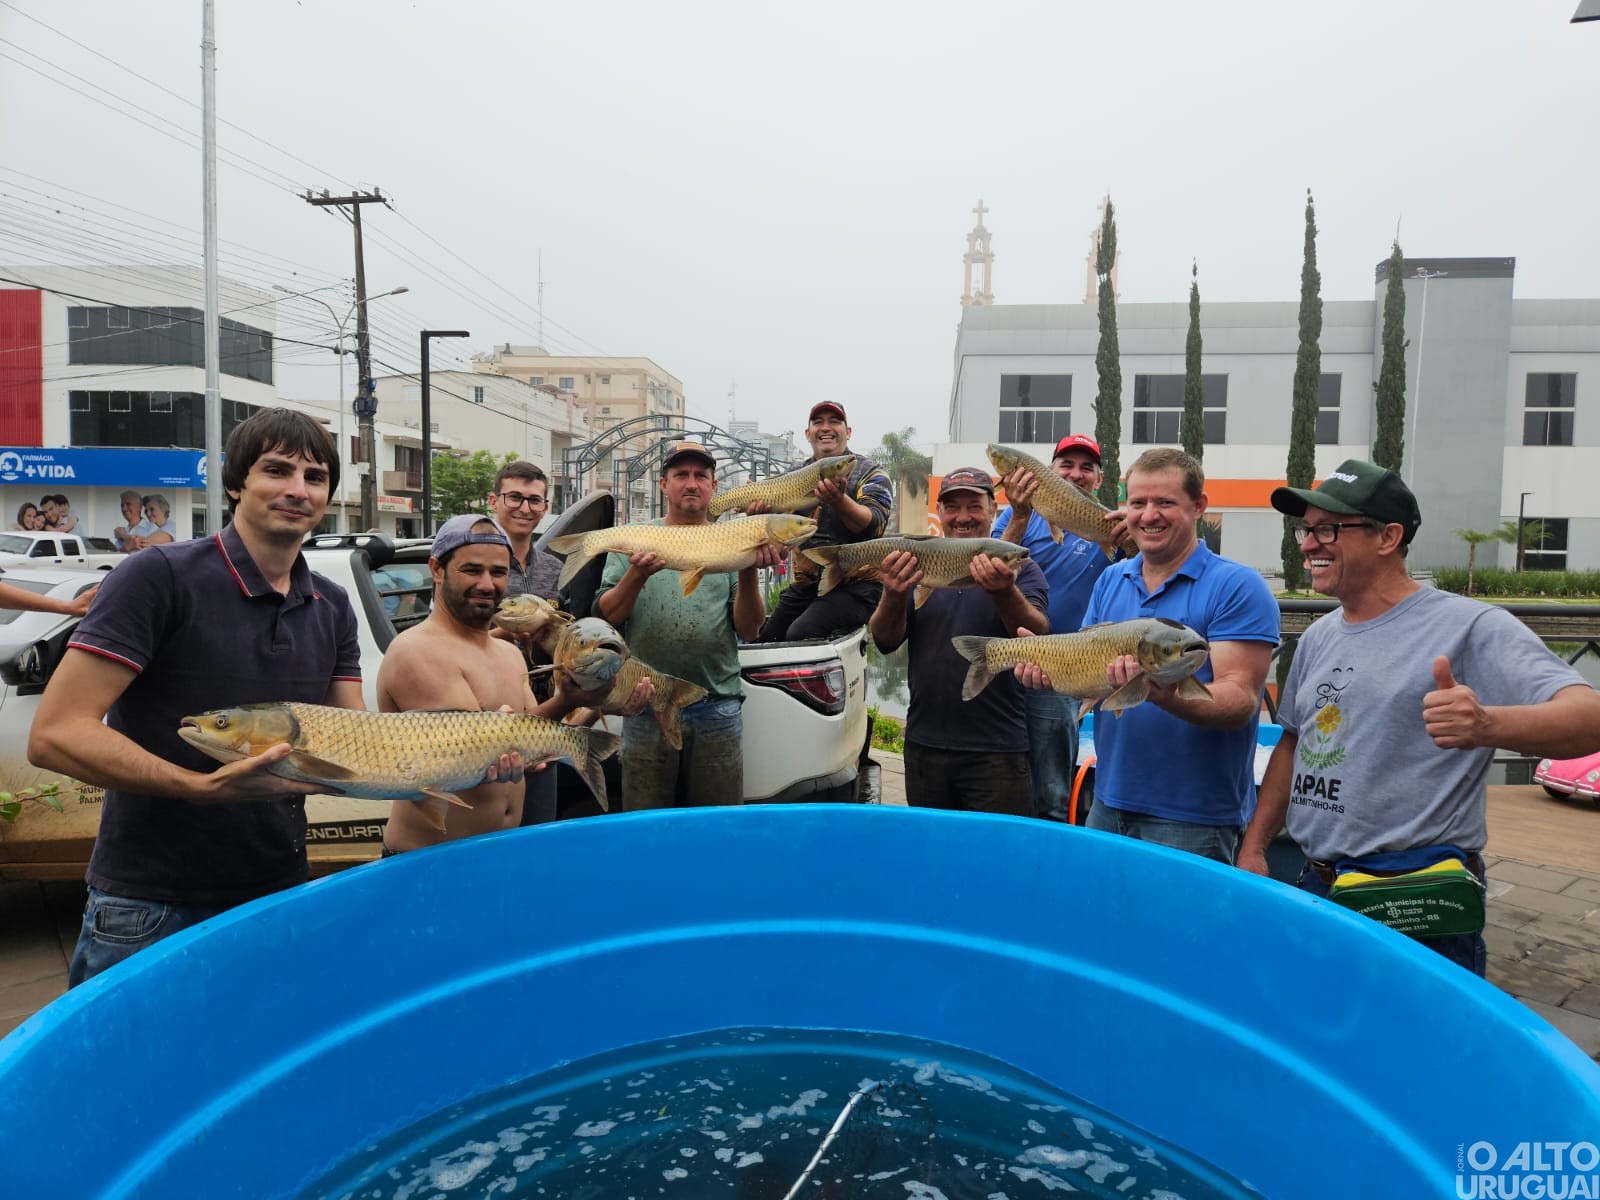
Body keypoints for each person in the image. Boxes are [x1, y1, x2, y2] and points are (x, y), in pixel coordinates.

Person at [27, 407, 521, 986]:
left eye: (314, 478)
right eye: (277, 470)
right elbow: (55, 733)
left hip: (277, 887)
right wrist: (199, 788)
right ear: (235, 483)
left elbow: (357, 740)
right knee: (134, 1076)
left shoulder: (330, 602)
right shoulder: (158, 576)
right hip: (153, 901)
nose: (297, 490)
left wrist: (471, 750)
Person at [1239, 460, 1600, 975]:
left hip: (1414, 899)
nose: (1307, 545)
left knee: (1416, 1053)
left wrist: (1487, 726)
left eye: (1327, 530)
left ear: (1388, 537)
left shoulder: (1470, 625)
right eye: (1306, 529)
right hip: (1319, 882)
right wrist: (1255, 848)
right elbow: (1294, 746)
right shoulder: (1320, 635)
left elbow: (1589, 717)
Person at [1022, 448, 1278, 863]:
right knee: (1103, 924)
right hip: (1108, 800)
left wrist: (1165, 695)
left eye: (1165, 503)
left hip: (1192, 818)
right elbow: (1093, 674)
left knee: (1178, 929)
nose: (1148, 515)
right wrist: (1049, 671)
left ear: (1199, 507)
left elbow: (1242, 699)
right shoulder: (1110, 579)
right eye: (1138, 503)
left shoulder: (1237, 586)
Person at [379, 515, 629, 854]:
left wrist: (575, 700)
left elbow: (531, 731)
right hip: (432, 863)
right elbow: (478, 752)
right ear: (437, 569)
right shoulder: (418, 650)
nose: (487, 583)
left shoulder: (507, 652)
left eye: (498, 572)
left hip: (497, 853)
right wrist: (563, 711)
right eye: (472, 570)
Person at [594, 440, 780, 809]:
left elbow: (748, 630)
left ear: (713, 487)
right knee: (645, 820)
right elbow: (608, 617)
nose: (691, 483)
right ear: (664, 485)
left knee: (718, 823)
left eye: (701, 476)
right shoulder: (637, 538)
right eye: (681, 475)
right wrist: (636, 574)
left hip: (717, 703)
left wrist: (746, 568)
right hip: (645, 702)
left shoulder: (730, 538)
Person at [870, 466, 1049, 816]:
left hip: (997, 751)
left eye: (974, 505)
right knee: (932, 856)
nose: (962, 517)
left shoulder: (1023, 569)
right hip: (924, 746)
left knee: (996, 859)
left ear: (993, 512)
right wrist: (892, 594)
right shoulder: (918, 564)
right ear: (939, 513)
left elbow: (1037, 636)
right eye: (952, 507)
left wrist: (1005, 591)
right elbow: (885, 642)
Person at [993, 433, 1121, 822]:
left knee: (1050, 787)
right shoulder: (1018, 513)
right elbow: (989, 566)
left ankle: (1048, 855)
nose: (1076, 474)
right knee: (998, 775)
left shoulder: (1109, 524)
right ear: (1049, 472)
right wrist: (1018, 514)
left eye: (1087, 468)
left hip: (1063, 670)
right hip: (1007, 655)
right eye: (1066, 465)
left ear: (1099, 479)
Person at [756, 401, 893, 642]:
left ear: (848, 432)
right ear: (808, 434)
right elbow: (777, 529)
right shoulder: (794, 475)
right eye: (818, 422)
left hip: (857, 586)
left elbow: (874, 524)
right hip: (807, 586)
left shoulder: (870, 472)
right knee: (764, 639)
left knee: (800, 634)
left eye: (835, 421)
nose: (826, 427)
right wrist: (758, 513)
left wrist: (839, 501)